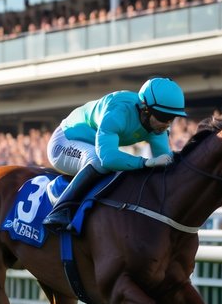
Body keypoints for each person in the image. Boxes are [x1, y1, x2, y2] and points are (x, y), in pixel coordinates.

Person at [41, 77, 183, 232]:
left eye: (171, 118)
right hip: (65, 141)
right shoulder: (119, 110)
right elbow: (107, 158)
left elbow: (167, 164)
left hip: (93, 146)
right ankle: (59, 209)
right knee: (98, 162)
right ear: (146, 109)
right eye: (163, 117)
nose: (167, 123)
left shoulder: (157, 127)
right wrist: (145, 163)